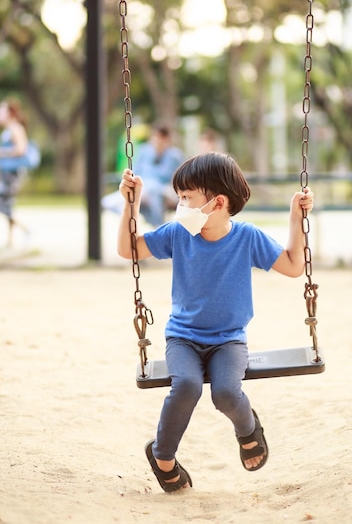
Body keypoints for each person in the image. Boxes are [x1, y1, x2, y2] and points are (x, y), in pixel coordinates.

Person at [117, 152, 314, 492]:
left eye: (187, 198)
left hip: (228, 340)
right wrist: (130, 204)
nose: (180, 205)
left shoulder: (248, 238)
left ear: (217, 202)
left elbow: (295, 266)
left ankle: (249, 430)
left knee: (225, 392)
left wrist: (297, 217)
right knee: (187, 386)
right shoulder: (179, 234)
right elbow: (128, 249)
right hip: (183, 338)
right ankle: (163, 456)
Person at [103, 122, 183, 227]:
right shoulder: (145, 151)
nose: (157, 142)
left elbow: (175, 178)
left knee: (153, 192)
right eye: (154, 138)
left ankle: (157, 225)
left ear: (166, 140)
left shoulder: (174, 156)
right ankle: (131, 215)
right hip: (144, 188)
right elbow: (136, 171)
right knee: (109, 202)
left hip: (164, 190)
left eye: (160, 138)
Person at [0, 98, 29, 246]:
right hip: (6, 172)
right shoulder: (9, 129)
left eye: (2, 110)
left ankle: (25, 229)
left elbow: (20, 149)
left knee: (3, 203)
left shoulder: (15, 128)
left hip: (12, 173)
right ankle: (10, 239)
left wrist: (2, 152)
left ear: (10, 113)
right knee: (7, 204)